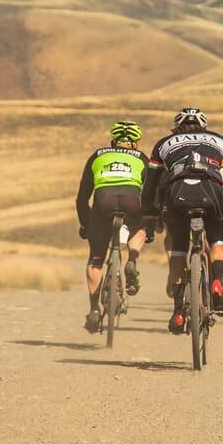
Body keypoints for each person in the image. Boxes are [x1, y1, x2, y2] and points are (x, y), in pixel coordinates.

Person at [144, 108, 223, 335]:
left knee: (178, 248)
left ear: (178, 126)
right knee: (218, 240)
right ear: (204, 126)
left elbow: (151, 183)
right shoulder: (219, 140)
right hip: (212, 192)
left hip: (177, 194)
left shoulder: (164, 143)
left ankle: (179, 311)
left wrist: (149, 209)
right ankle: (218, 283)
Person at [74, 120, 150, 333]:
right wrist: (149, 228)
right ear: (135, 143)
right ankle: (132, 260)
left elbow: (82, 198)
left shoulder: (97, 155)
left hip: (103, 202)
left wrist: (86, 225)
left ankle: (93, 310)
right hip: (132, 202)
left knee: (96, 259)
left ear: (112, 141)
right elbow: (152, 196)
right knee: (139, 228)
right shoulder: (142, 158)